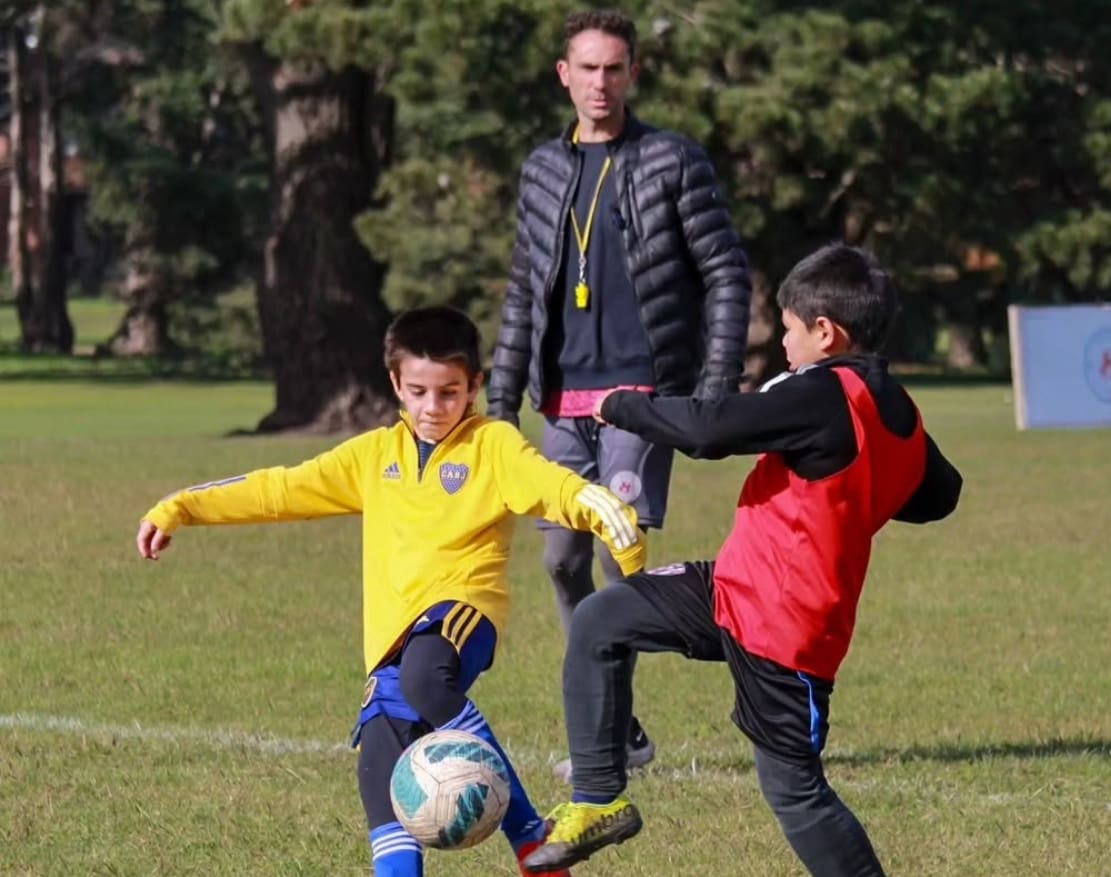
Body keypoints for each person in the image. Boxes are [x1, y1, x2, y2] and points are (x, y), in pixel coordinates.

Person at [135, 306, 648, 877]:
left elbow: (551, 486)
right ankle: (525, 857)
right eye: (419, 392)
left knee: (425, 679)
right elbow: (279, 489)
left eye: (449, 392)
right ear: (396, 385)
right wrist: (181, 507)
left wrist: (600, 509)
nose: (433, 407)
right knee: (381, 780)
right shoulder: (373, 456)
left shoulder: (494, 445)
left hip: (461, 614)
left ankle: (530, 838)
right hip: (391, 643)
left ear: (474, 386)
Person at [522, 244, 964, 876]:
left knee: (796, 791)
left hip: (786, 629)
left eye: (788, 329)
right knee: (602, 619)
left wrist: (621, 406)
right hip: (736, 589)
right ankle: (598, 800)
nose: (782, 344)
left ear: (825, 332)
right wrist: (858, 489)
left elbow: (709, 429)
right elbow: (940, 495)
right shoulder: (897, 409)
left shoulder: (822, 393)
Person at [487, 8, 752, 780]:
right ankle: (622, 723)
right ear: (563, 75)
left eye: (614, 68)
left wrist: (710, 390)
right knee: (560, 560)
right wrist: (500, 405)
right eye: (587, 68)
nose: (600, 83)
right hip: (562, 399)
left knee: (616, 555)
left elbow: (726, 271)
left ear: (634, 73)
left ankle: (603, 730)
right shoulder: (543, 169)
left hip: (640, 395)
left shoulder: (673, 159)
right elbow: (522, 290)